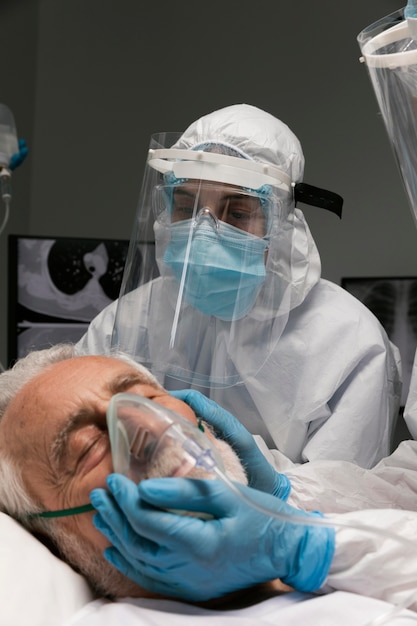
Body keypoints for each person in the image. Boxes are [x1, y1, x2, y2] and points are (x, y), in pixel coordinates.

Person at [76, 103, 401, 468]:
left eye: (238, 213)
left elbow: (345, 495)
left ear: (282, 223)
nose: (202, 233)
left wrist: (264, 489)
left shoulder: (349, 341)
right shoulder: (126, 322)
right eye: (185, 208)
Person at [0, 345, 416, 620]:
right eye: (88, 445)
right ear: (53, 539)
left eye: (148, 398)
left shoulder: (334, 556)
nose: (148, 429)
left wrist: (296, 544)